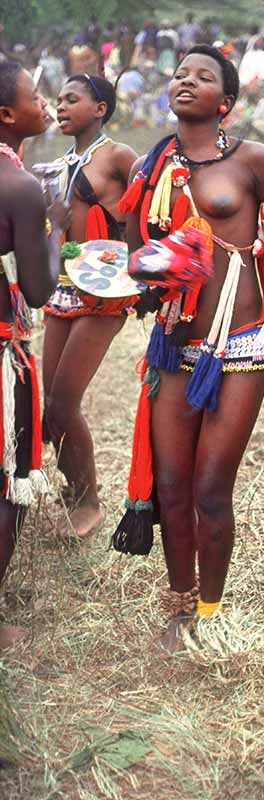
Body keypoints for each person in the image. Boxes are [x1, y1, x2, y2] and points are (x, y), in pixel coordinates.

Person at [113, 44, 264, 654]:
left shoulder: (254, 160)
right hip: (176, 344)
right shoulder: (153, 169)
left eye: (202, 76)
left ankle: (211, 610)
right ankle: (178, 607)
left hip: (243, 347)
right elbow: (132, 259)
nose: (185, 81)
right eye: (179, 74)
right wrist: (157, 265)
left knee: (208, 488)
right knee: (170, 484)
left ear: (225, 102)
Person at [42, 75, 137, 539]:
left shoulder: (118, 156)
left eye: (72, 99)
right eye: (58, 100)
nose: (61, 106)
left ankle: (89, 501)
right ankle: (73, 484)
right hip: (63, 289)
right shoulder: (59, 164)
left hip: (104, 291)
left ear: (100, 109)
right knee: (50, 408)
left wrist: (128, 240)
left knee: (64, 401)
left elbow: (150, 203)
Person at [0, 61, 70, 648]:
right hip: (3, 352)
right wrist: (54, 229)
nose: (45, 102)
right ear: (7, 116)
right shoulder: (20, 186)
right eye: (35, 95)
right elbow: (41, 291)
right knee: (10, 479)